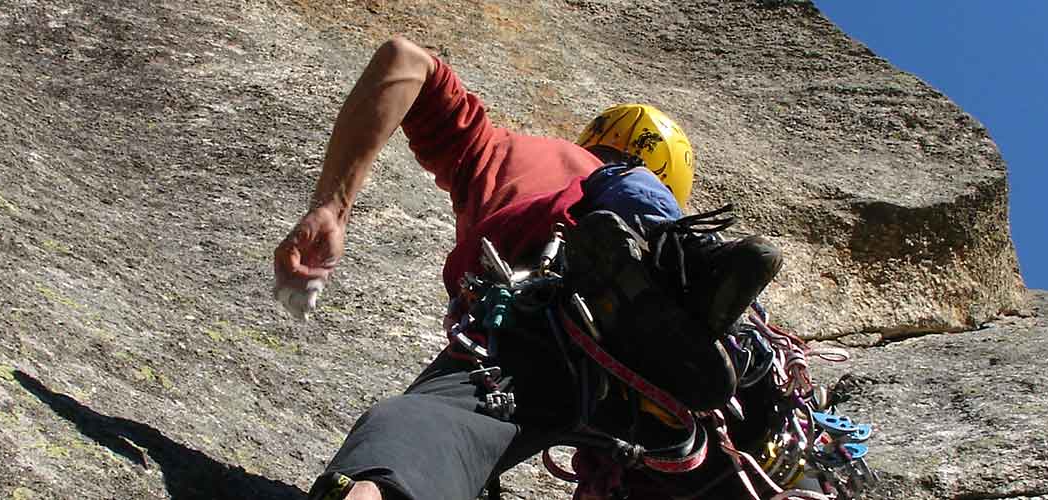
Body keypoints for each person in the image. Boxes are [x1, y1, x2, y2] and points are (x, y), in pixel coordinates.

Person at [271, 36, 784, 500]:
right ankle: (697, 303)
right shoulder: (635, 186)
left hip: (526, 328)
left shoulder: (502, 150)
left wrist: (333, 206)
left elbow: (405, 61)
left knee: (417, 431)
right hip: (665, 376)